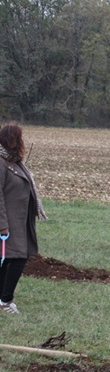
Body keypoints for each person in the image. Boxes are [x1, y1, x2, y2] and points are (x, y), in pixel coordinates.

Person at [0, 123, 47, 314]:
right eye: (19, 138)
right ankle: (6, 300)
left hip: (20, 220)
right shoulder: (1, 163)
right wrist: (2, 225)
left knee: (9, 259)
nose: (22, 141)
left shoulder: (15, 162)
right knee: (17, 258)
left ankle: (2, 299)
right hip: (9, 222)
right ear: (12, 139)